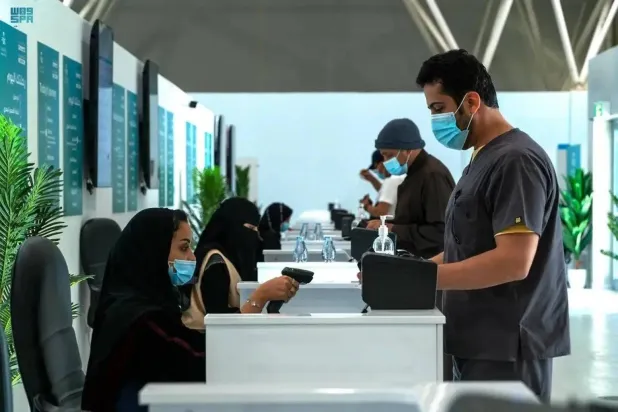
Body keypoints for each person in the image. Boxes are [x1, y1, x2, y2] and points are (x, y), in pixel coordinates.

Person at [416, 49, 570, 402]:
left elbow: (514, 261)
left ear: (471, 102)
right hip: (475, 340)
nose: (435, 120)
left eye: (438, 109)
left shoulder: (516, 160)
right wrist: (410, 272)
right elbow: (467, 246)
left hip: (507, 347)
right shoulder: (482, 158)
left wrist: (423, 280)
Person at [83, 207, 297, 411]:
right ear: (154, 251)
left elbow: (188, 347)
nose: (193, 257)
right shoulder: (142, 320)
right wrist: (258, 300)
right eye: (184, 248)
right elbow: (201, 364)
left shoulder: (141, 303)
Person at [181, 197, 299, 329]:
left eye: (256, 230)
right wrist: (262, 295)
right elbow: (222, 325)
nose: (253, 236)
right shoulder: (216, 264)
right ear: (231, 225)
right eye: (250, 228)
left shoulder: (229, 259)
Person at [366, 118, 455, 259]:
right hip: (413, 260)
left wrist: (394, 229)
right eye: (383, 156)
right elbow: (412, 220)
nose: (386, 162)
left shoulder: (432, 175)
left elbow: (441, 232)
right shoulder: (413, 175)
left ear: (408, 150)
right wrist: (384, 225)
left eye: (389, 155)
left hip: (431, 264)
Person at [360, 150, 405, 217]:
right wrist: (372, 179)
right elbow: (386, 192)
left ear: (382, 163)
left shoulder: (391, 181)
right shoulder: (400, 177)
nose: (377, 171)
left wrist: (366, 206)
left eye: (376, 167)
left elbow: (380, 212)